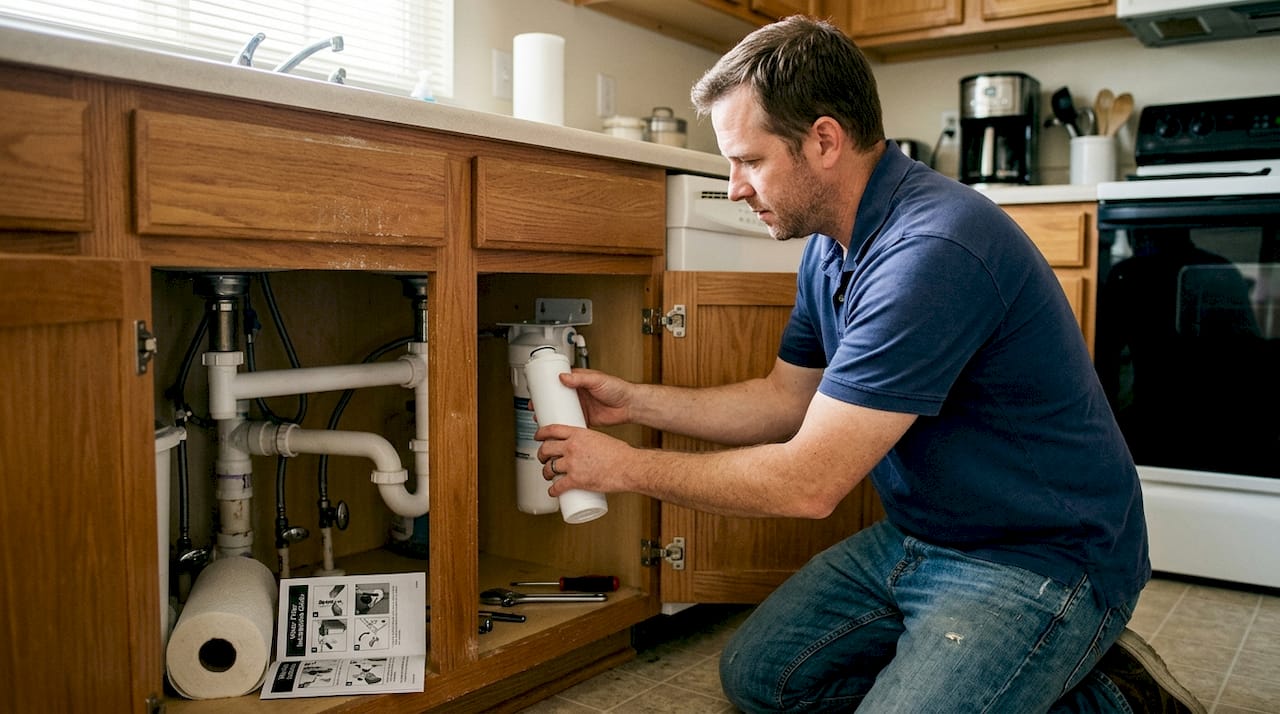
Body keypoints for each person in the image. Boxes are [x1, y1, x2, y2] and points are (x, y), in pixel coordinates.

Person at [533, 15, 1204, 714]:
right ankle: (1014, 675)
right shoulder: (832, 244)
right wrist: (635, 403)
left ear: (825, 139)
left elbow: (808, 484)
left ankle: (1109, 696)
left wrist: (623, 467)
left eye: (750, 160)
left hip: (1040, 557)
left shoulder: (934, 252)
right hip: (923, 534)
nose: (734, 186)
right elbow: (784, 399)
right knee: (762, 679)